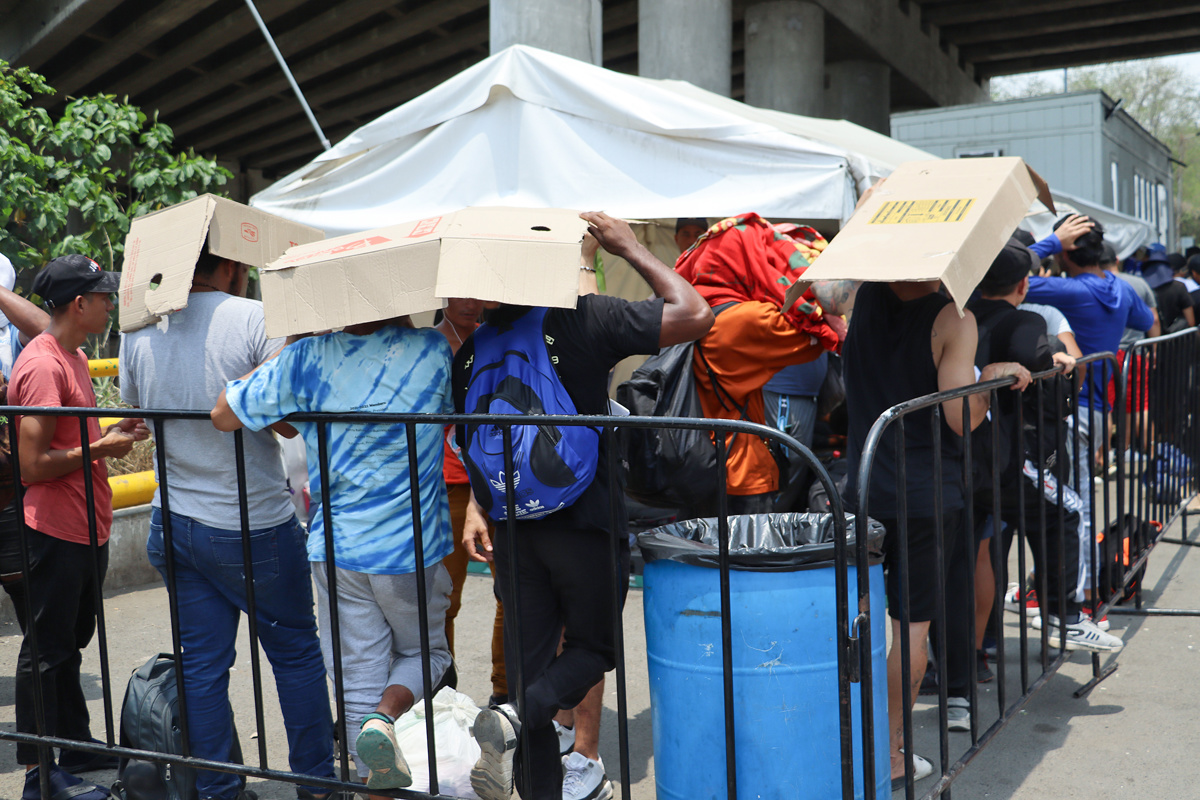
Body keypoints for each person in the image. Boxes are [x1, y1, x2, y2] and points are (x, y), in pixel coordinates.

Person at [458, 211, 712, 800]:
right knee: (591, 650)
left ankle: (527, 747)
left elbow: (473, 440)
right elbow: (696, 313)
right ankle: (522, 714)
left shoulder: (472, 349)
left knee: (527, 670)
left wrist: (482, 505)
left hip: (514, 527)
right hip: (585, 520)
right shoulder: (582, 321)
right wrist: (629, 249)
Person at [120, 249, 337, 800]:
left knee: (202, 666)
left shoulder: (140, 328)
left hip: (174, 519)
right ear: (234, 267)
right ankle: (315, 783)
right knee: (294, 654)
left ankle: (219, 789)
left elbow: (136, 415)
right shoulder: (254, 317)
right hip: (254, 522)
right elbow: (291, 426)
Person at [212, 313, 455, 799]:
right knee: (427, 653)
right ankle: (385, 717)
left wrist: (296, 343)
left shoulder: (304, 359)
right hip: (412, 547)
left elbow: (223, 413)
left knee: (358, 679)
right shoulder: (432, 349)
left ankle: (374, 751)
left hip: (338, 548)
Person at [844, 274, 1030, 789]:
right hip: (922, 492)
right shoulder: (955, 318)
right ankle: (890, 756)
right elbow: (961, 418)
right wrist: (989, 382)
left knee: (858, 624)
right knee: (910, 629)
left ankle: (848, 745)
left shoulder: (864, 298)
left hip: (862, 485)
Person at [8, 254, 149, 800]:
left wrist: (113, 430)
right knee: (45, 650)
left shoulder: (75, 357)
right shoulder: (43, 365)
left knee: (69, 643)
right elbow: (33, 465)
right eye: (102, 296)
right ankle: (37, 775)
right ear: (78, 304)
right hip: (54, 528)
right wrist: (101, 445)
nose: (109, 304)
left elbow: (70, 438)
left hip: (86, 524)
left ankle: (74, 745)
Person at [968, 242, 1122, 659]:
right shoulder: (1024, 320)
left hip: (961, 454)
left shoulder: (957, 317)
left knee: (985, 550)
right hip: (1010, 452)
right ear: (1023, 284)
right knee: (1066, 511)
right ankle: (1064, 618)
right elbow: (1036, 361)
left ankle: (972, 659)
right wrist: (1057, 359)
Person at [1024, 217, 1154, 611]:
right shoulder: (1123, 289)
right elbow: (1148, 323)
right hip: (1098, 409)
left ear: (1067, 250)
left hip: (1071, 410)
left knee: (1072, 506)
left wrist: (1048, 242)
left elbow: (1005, 280)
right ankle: (1072, 588)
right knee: (1075, 501)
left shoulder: (1071, 290)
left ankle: (1080, 598)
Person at [674, 216, 845, 514]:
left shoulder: (693, 311)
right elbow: (821, 327)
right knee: (745, 551)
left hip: (696, 460)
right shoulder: (747, 319)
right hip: (739, 467)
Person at [433, 297, 509, 709]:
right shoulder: (427, 345)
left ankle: (505, 690)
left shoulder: (495, 339)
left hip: (499, 480)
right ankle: (442, 693)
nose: (469, 303)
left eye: (475, 294)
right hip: (451, 484)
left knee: (509, 592)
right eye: (458, 294)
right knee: (444, 596)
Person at [0, 253, 52, 631]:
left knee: (33, 605)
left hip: (7, 490)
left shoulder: (10, 335)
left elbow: (47, 327)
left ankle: (40, 679)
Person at [1140, 251, 1194, 333]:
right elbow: (1190, 321)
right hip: (1181, 340)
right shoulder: (1179, 286)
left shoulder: (1144, 289)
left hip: (1153, 341)